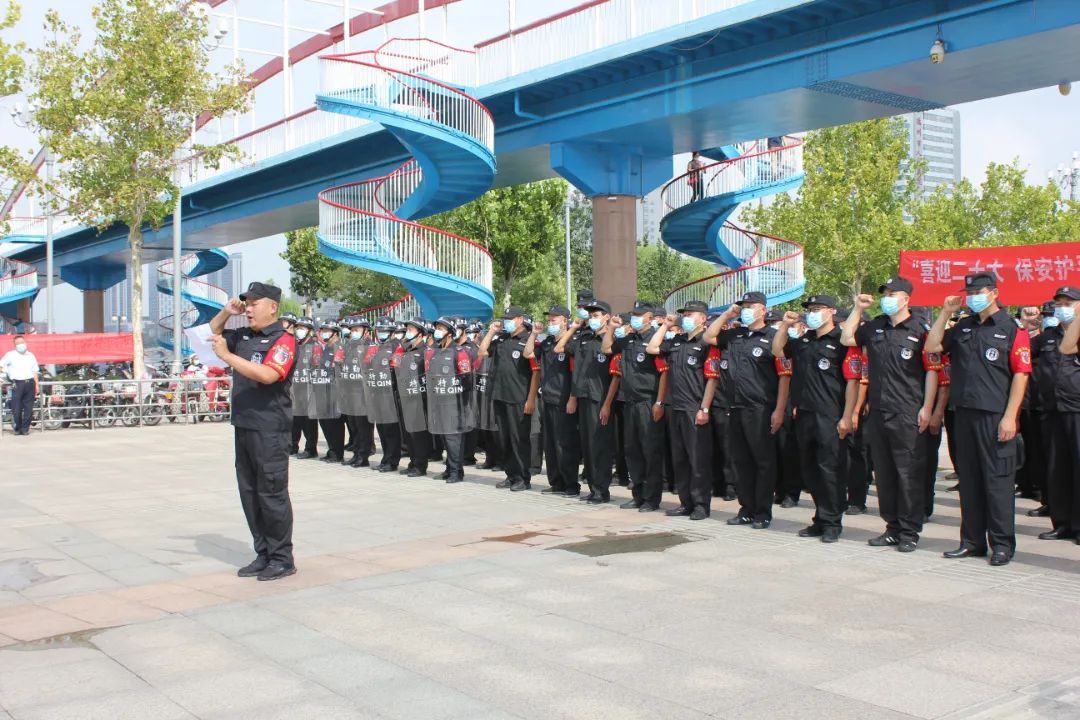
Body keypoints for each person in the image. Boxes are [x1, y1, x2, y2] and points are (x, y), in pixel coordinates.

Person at [927, 273, 1031, 566]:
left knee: (997, 482)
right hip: (964, 414)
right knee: (970, 480)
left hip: (995, 415)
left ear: (994, 293)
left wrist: (1010, 417)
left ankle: (1002, 544)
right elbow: (932, 347)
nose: (972, 297)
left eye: (978, 291)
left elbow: (1021, 374)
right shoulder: (963, 326)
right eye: (969, 292)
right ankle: (972, 541)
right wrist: (944, 313)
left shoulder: (1011, 328)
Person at [840, 276, 940, 553]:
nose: (887, 298)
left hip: (908, 411)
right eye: (885, 294)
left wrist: (927, 407)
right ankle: (892, 527)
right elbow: (846, 337)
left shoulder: (920, 329)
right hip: (879, 411)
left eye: (893, 294)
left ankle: (909, 531)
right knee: (884, 474)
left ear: (906, 299)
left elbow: (932, 371)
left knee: (908, 474)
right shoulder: (875, 327)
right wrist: (858, 308)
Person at [209, 282, 298, 581]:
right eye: (246, 304)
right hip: (244, 424)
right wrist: (226, 311)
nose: (248, 309)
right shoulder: (245, 336)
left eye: (254, 304)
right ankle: (263, 553)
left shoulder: (283, 340)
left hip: (270, 428)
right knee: (249, 493)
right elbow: (215, 330)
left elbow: (268, 374)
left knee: (271, 493)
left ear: (272, 307)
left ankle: (282, 558)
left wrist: (227, 357)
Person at [773, 295, 863, 542]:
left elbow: (853, 382)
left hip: (831, 415)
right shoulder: (804, 340)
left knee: (830, 470)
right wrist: (785, 325)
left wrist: (848, 415)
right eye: (810, 309)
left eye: (818, 309)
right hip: (804, 413)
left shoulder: (842, 341)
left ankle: (833, 522)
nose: (812, 313)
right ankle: (820, 519)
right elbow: (778, 350)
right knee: (810, 470)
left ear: (831, 311)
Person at [705, 294, 790, 527]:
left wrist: (779, 410)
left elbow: (784, 377)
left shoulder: (772, 337)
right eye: (744, 307)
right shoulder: (735, 335)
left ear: (763, 310)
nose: (746, 310)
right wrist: (727, 314)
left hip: (760, 409)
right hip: (735, 407)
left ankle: (762, 512)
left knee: (763, 462)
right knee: (741, 462)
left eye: (751, 307)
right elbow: (709, 336)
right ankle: (746, 509)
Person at [650, 300, 720, 519]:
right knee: (679, 459)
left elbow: (712, 379)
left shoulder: (707, 343)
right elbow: (652, 348)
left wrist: (704, 408)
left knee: (698, 460)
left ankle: (701, 505)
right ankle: (685, 502)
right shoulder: (677, 341)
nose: (686, 317)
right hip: (676, 407)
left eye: (690, 314)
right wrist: (665, 325)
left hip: (695, 408)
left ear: (703, 318)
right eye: (684, 314)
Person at [606, 301, 668, 512]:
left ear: (649, 318)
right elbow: (607, 348)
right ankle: (638, 495)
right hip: (630, 403)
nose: (635, 318)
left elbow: (664, 373)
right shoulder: (629, 339)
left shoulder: (655, 339)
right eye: (634, 314)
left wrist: (659, 402)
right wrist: (611, 328)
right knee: (632, 451)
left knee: (650, 451)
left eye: (639, 315)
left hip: (648, 402)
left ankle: (651, 498)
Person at [559, 299, 617, 503]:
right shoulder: (584, 338)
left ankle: (602, 490)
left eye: (596, 315)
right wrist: (574, 328)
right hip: (583, 397)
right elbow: (561, 348)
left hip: (600, 399)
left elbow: (616, 376)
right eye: (590, 316)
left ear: (607, 317)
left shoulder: (612, 340)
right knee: (588, 445)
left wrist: (607, 404)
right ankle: (593, 488)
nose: (592, 319)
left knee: (600, 446)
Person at [479, 307, 539, 491]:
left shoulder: (527, 340)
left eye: (510, 319)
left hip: (518, 397)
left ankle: (523, 478)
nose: (507, 322)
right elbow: (482, 352)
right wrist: (491, 331)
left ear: (520, 319)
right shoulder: (502, 339)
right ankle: (511, 475)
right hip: (499, 395)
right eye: (505, 319)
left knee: (518, 439)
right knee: (504, 439)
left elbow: (536, 373)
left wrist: (531, 399)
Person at [524, 305, 581, 496]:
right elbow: (528, 353)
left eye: (554, 320)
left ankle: (570, 484)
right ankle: (556, 482)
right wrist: (534, 334)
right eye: (549, 320)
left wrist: (573, 397)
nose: (550, 323)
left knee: (564, 443)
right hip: (547, 398)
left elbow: (575, 373)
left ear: (565, 321)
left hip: (564, 399)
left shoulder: (572, 343)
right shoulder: (547, 342)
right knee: (550, 444)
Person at [426, 316, 476, 483]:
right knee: (443, 436)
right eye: (437, 327)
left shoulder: (459, 352)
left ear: (450, 332)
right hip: (438, 400)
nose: (437, 331)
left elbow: (466, 378)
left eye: (441, 328)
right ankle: (449, 469)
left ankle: (456, 472)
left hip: (454, 402)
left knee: (453, 438)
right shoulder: (435, 351)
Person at [1055, 287, 1080, 545]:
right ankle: (1062, 523)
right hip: (1056, 408)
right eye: (1059, 303)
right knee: (1059, 468)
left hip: (1077, 408)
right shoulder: (1052, 333)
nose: (1063, 308)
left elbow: (1067, 347)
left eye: (1069, 303)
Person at [393, 318, 433, 477]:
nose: (407, 332)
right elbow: (395, 366)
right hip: (405, 396)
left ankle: (420, 465)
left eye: (411, 330)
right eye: (407, 329)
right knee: (408, 433)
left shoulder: (426, 351)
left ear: (421, 334)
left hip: (419, 399)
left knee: (419, 434)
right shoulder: (405, 350)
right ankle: (413, 462)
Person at [364, 316, 404, 472]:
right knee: (381, 428)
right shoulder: (377, 347)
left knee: (390, 430)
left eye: (385, 331)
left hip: (390, 395)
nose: (381, 334)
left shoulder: (397, 347)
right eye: (379, 331)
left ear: (392, 332)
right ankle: (385, 459)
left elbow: (397, 370)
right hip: (377, 393)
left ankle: (392, 461)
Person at [339, 317, 375, 467]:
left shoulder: (370, 347)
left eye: (357, 330)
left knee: (363, 427)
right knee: (354, 426)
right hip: (349, 391)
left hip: (363, 394)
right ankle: (356, 453)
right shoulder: (348, 346)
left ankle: (363, 456)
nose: (353, 332)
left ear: (366, 331)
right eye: (352, 330)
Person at [310, 320, 346, 463]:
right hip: (323, 390)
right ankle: (331, 450)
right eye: (323, 330)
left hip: (335, 392)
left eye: (327, 331)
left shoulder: (339, 348)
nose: (324, 333)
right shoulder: (326, 348)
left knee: (334, 425)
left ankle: (337, 453)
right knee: (325, 423)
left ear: (335, 333)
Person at [289, 317, 319, 459]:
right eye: (298, 328)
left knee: (309, 421)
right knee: (295, 419)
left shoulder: (315, 346)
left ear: (309, 331)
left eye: (302, 328)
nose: (299, 331)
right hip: (295, 387)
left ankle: (310, 449)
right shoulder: (294, 345)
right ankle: (292, 446)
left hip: (309, 388)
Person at [1, 335, 40, 435]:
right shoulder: (10, 355)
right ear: (15, 345)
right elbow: (1, 365)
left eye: (22, 342)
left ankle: (25, 429)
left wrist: (37, 385)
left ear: (25, 343)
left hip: (30, 383)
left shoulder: (31, 355)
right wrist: (4, 375)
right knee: (16, 408)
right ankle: (18, 428)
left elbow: (35, 371)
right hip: (17, 384)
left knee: (28, 408)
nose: (21, 345)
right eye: (18, 343)